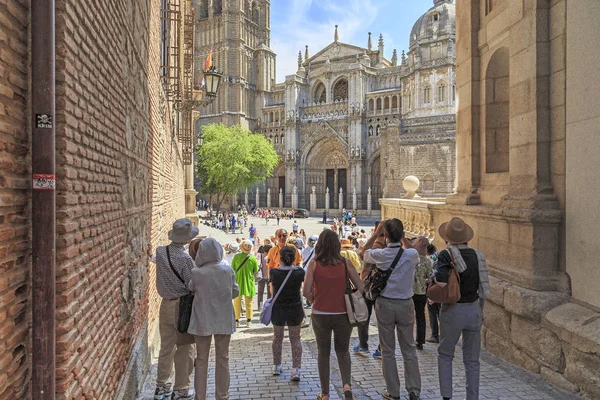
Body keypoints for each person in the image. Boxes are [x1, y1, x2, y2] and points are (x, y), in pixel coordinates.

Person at [361, 218, 421, 400]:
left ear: (385, 236)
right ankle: (414, 391)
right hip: (405, 304)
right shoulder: (411, 255)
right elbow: (412, 248)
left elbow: (364, 252)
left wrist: (375, 234)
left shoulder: (381, 254)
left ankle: (393, 392)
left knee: (388, 350)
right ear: (402, 235)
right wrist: (402, 238)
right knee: (409, 348)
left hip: (385, 304)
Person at [303, 229, 363, 400]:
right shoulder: (345, 263)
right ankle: (346, 386)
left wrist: (317, 298)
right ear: (337, 245)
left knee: (323, 352)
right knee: (343, 351)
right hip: (343, 313)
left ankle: (325, 393)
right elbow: (361, 287)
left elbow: (306, 291)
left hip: (320, 313)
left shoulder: (314, 264)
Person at [434, 218, 490, 400]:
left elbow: (442, 282)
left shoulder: (446, 255)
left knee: (445, 354)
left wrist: (432, 283)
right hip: (473, 309)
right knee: (472, 361)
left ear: (448, 238)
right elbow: (482, 289)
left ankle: (447, 396)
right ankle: (472, 397)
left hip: (453, 310)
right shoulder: (478, 255)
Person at [188, 238, 239, 400]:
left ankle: (200, 396)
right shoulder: (227, 271)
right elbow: (235, 292)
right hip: (223, 318)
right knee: (223, 358)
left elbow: (190, 288)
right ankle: (222, 395)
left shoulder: (197, 273)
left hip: (202, 319)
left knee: (202, 359)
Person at [152, 219, 197, 400]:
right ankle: (181, 389)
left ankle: (161, 387)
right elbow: (191, 284)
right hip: (182, 306)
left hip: (165, 304)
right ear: (186, 239)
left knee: (166, 347)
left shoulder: (160, 252)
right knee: (185, 348)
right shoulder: (186, 259)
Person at [270, 246, 306, 380]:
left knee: (277, 338)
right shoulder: (300, 272)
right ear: (294, 258)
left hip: (278, 308)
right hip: (295, 308)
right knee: (295, 339)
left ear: (280, 258)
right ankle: (296, 369)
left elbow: (272, 289)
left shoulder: (274, 272)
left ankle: (276, 365)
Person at [409, 236, 434, 350]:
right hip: (421, 292)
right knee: (420, 317)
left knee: (408, 317)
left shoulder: (409, 258)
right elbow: (430, 277)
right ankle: (420, 341)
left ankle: (408, 339)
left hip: (409, 292)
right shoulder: (428, 261)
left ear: (418, 243)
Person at [231, 240, 259, 327]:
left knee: (237, 301)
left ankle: (236, 321)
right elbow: (256, 270)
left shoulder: (236, 257)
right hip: (249, 281)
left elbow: (232, 268)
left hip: (238, 281)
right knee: (249, 302)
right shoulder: (252, 258)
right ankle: (248, 321)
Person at [301, 235, 318, 309]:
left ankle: (309, 301)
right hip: (314, 269)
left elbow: (303, 259)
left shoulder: (304, 250)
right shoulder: (316, 250)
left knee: (307, 285)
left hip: (306, 269)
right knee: (314, 285)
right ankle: (313, 300)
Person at [256, 238, 273, 309]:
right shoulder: (271, 257)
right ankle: (268, 305)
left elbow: (258, 264)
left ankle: (260, 306)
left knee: (260, 292)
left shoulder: (260, 255)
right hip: (270, 276)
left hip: (261, 276)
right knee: (269, 292)